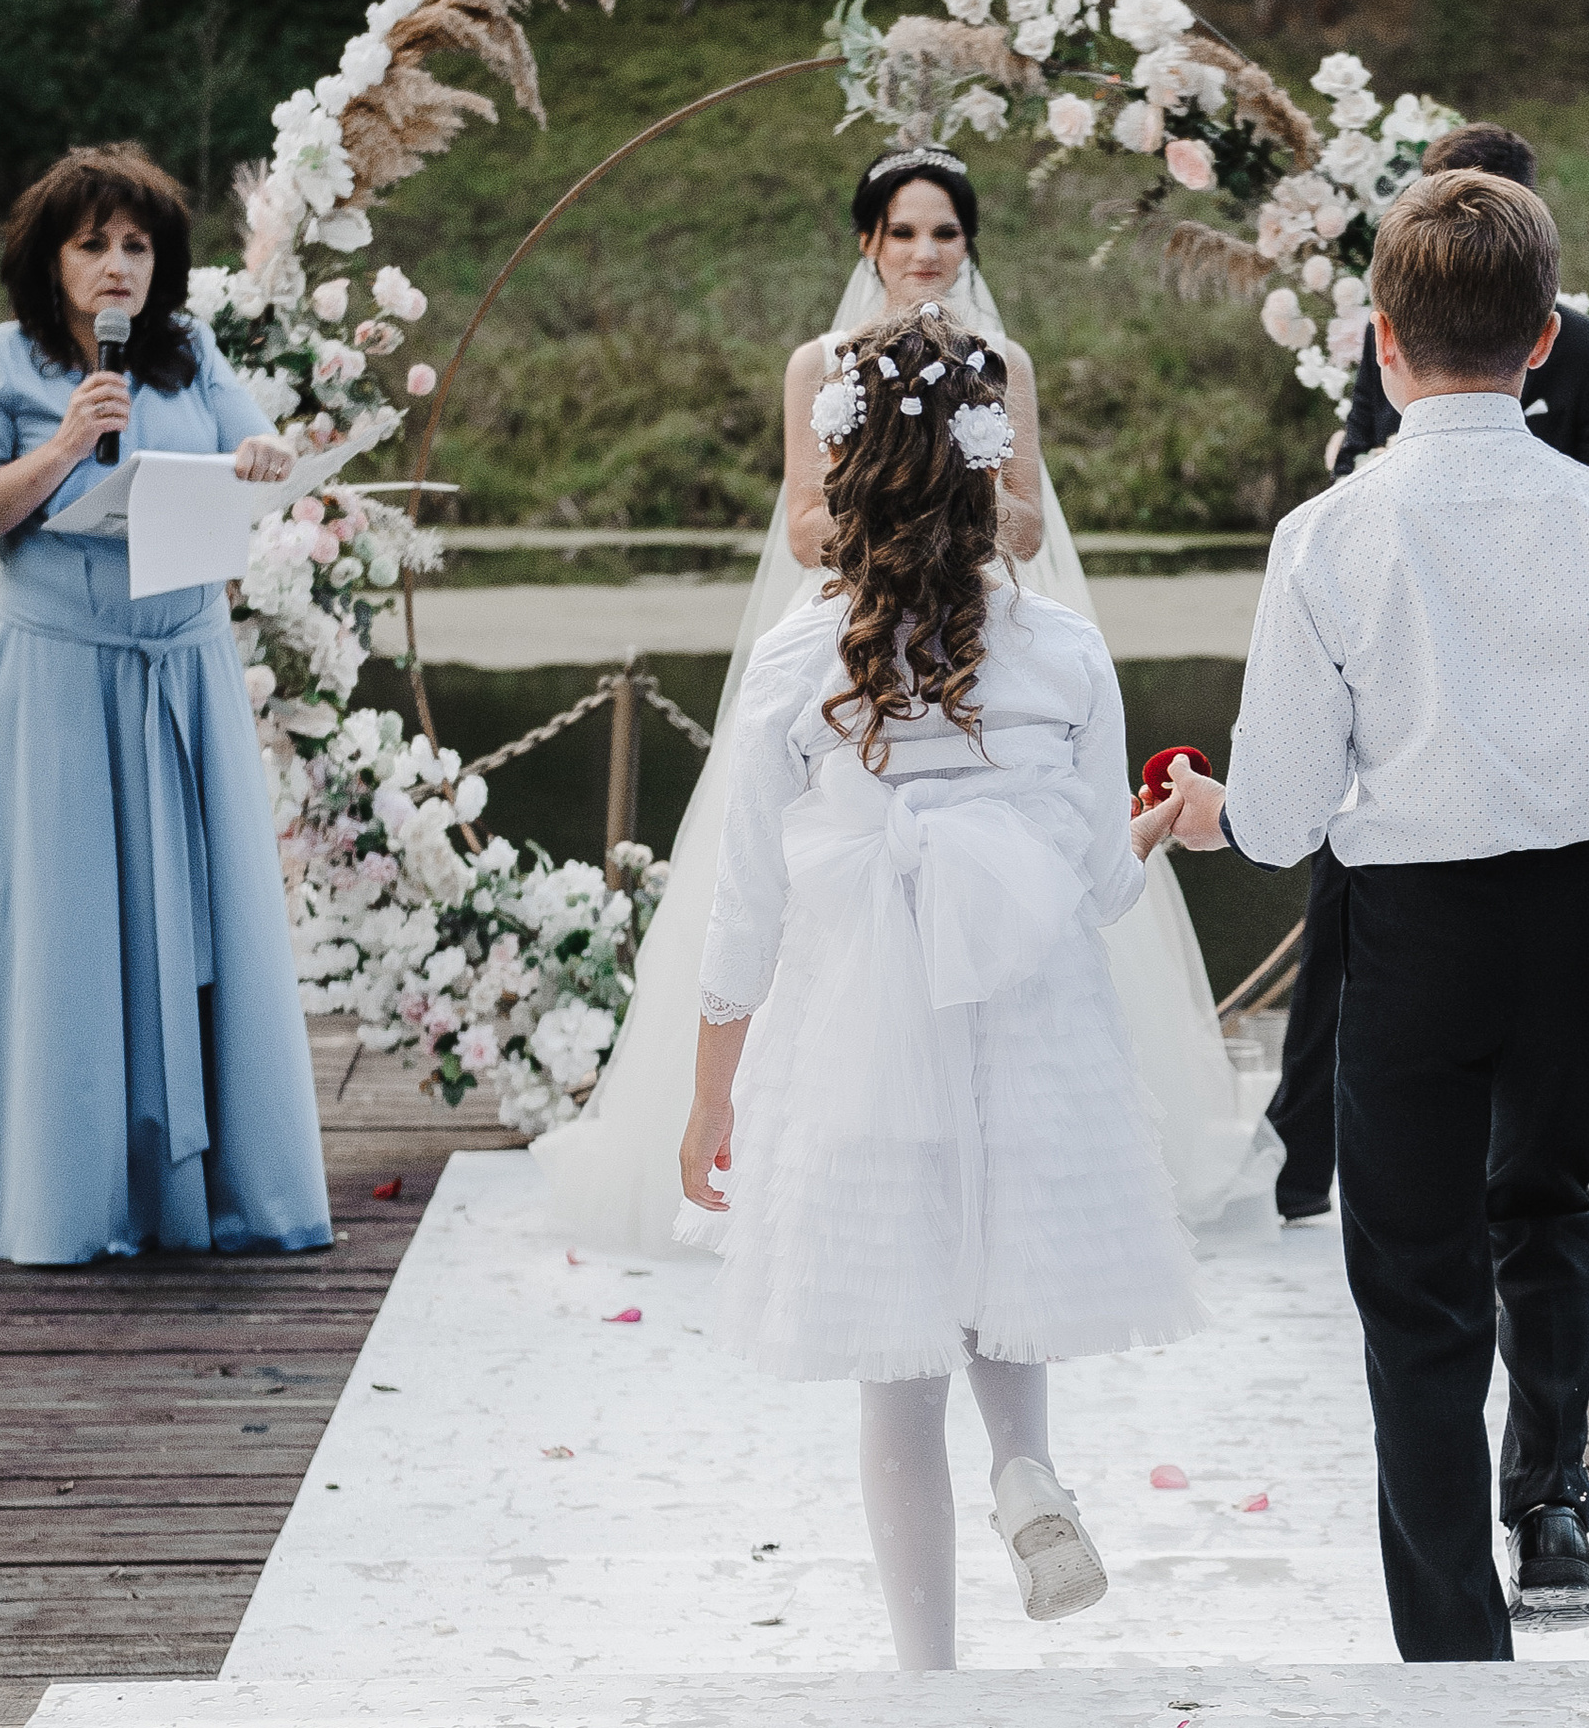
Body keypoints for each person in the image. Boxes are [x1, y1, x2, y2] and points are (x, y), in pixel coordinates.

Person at [1165, 169, 1589, 1660]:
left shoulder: (1329, 536)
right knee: (1547, 1206)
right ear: (1547, 337)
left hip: (1410, 934)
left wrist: (1208, 806)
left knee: (1417, 1282)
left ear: (1382, 342)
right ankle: (1549, 1494)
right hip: (1575, 923)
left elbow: (1287, 818)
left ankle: (1454, 1639)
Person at [532, 144, 1276, 1254]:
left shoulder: (1002, 363)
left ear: (966, 245)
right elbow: (798, 522)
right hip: (855, 645)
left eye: (946, 232)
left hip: (977, 632)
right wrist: (897, 509)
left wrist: (958, 508)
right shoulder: (817, 365)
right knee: (788, 886)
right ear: (868, 243)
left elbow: (1026, 514)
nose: (925, 251)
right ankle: (762, 1133)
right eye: (905, 231)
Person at [677, 299, 1203, 1671]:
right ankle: (1026, 1461)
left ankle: (929, 1672)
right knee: (1003, 1277)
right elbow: (1095, 883)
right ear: (996, 470)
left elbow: (747, 910)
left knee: (896, 1362)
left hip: (859, 1031)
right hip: (1029, 1027)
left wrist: (709, 1100)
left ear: (839, 466)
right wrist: (1156, 830)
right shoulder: (1068, 653)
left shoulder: (797, 658)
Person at [0, 146, 329, 1266]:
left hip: (181, 677)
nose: (116, 265)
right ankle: (56, 1198)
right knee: (63, 938)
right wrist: (59, 447)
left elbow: (261, 450)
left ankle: (208, 1192)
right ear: (50, 260)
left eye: (136, 245)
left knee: (200, 922)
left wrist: (266, 462)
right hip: (56, 682)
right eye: (92, 243)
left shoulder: (192, 361)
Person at [1266, 119, 1589, 1227]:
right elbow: (1354, 447)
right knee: (1341, 913)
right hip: (1400, 675)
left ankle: (1489, 1167)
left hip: (1528, 688)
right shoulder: (1383, 345)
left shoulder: (1588, 353)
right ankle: (1304, 1159)